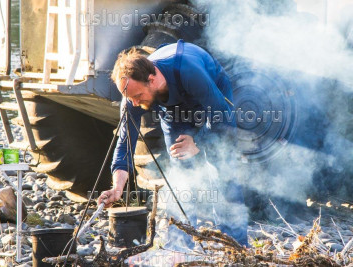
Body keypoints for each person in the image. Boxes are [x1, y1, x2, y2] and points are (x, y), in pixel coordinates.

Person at [97, 40, 248, 247]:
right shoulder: (132, 97)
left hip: (213, 99)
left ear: (153, 79)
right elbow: (125, 144)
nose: (133, 103)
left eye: (138, 96)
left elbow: (223, 117)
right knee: (180, 173)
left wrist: (198, 143)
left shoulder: (190, 71)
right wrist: (117, 187)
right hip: (173, 111)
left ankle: (235, 245)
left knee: (222, 164)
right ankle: (180, 247)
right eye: (129, 98)